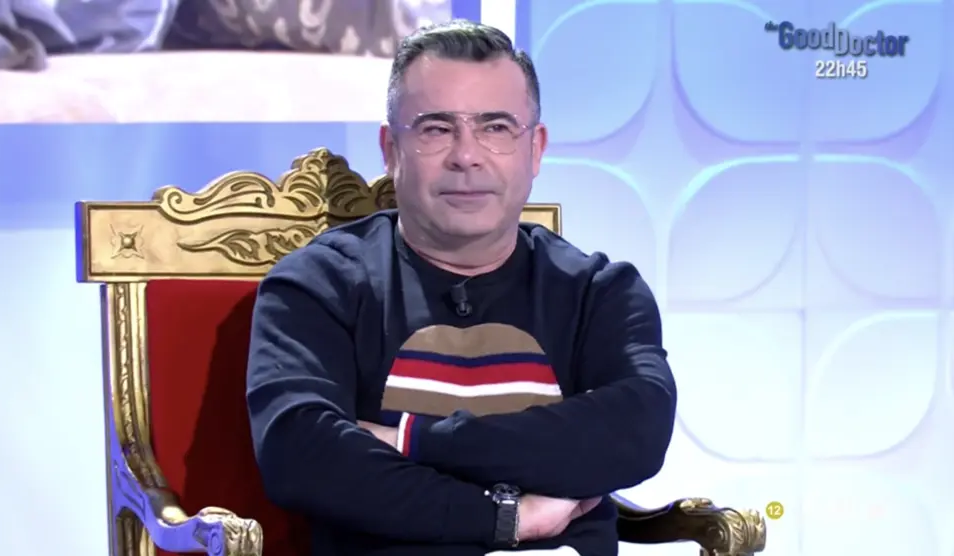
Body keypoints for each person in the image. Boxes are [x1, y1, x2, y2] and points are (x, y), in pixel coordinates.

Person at [245, 19, 677, 556]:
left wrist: (410, 440)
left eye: (496, 127)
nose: (466, 155)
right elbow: (301, 454)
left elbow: (636, 432)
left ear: (535, 149)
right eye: (436, 129)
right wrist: (506, 519)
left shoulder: (600, 291)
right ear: (391, 150)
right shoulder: (317, 283)